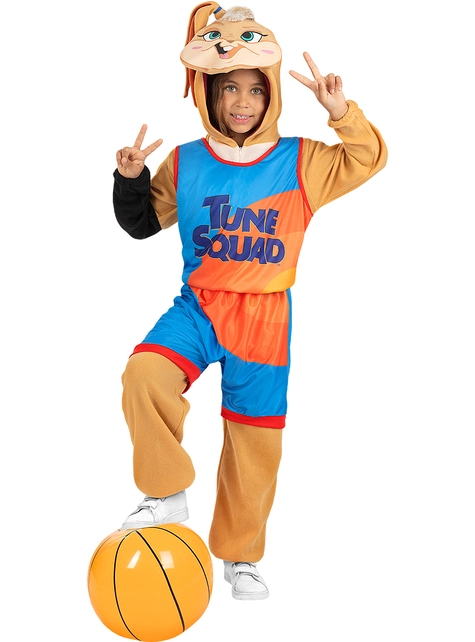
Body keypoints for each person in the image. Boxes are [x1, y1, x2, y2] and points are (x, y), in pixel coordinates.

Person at [112, 3, 387, 601]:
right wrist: (130, 179)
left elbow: (368, 158)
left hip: (265, 318)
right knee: (143, 375)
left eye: (255, 89)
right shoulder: (185, 160)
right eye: (229, 88)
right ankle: (166, 490)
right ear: (208, 92)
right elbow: (141, 224)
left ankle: (240, 555)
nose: (242, 101)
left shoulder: (303, 161)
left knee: (255, 441)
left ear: (271, 95)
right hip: (199, 307)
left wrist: (341, 112)